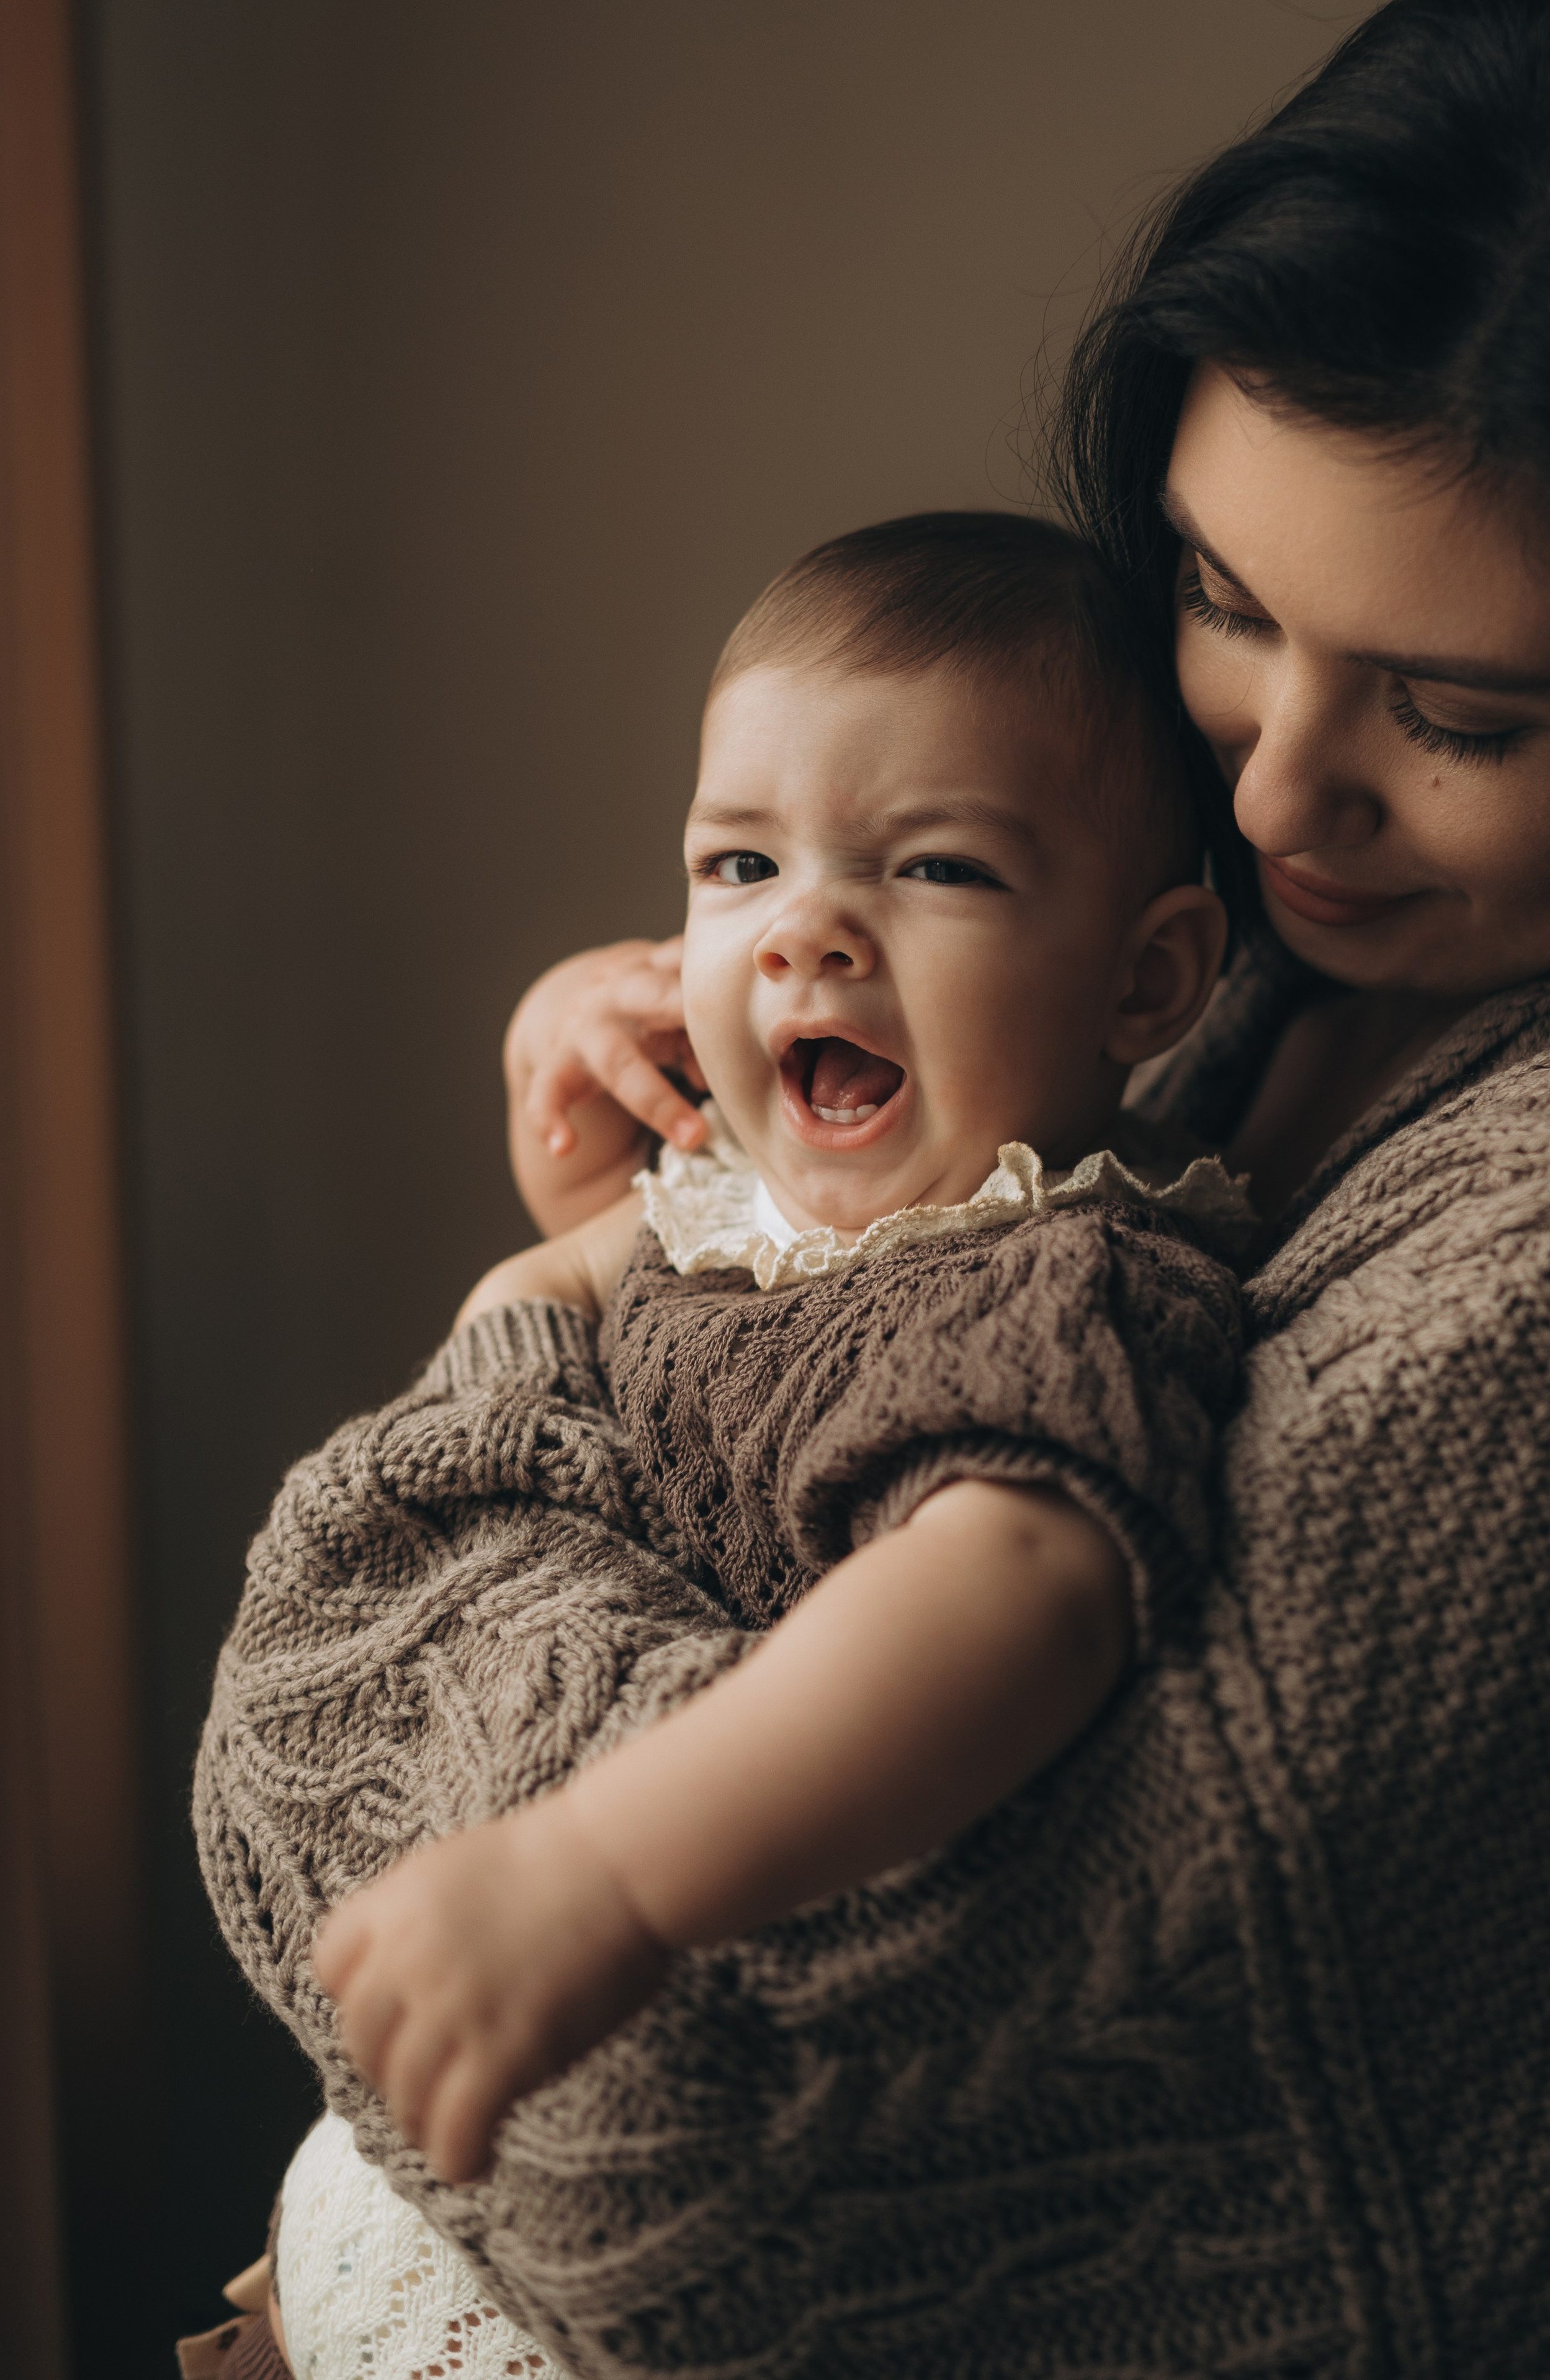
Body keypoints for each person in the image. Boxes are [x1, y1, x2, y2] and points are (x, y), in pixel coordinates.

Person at [200, 2, 1550, 2371]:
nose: (1266, 798)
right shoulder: (1194, 992)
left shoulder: (1455, 1276)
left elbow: (670, 2129)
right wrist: (648, 1166)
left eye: (1459, 717)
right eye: (1225, 603)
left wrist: (509, 1421)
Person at [310, 510, 1251, 2186]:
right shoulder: (773, 1207)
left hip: (719, 1994)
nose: (805, 933)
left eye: (938, 867)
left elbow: (1010, 1593)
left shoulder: (1044, 1275)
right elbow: (611, 1283)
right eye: (742, 865)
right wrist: (576, 1112)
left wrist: (603, 1868)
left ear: (1147, 973)